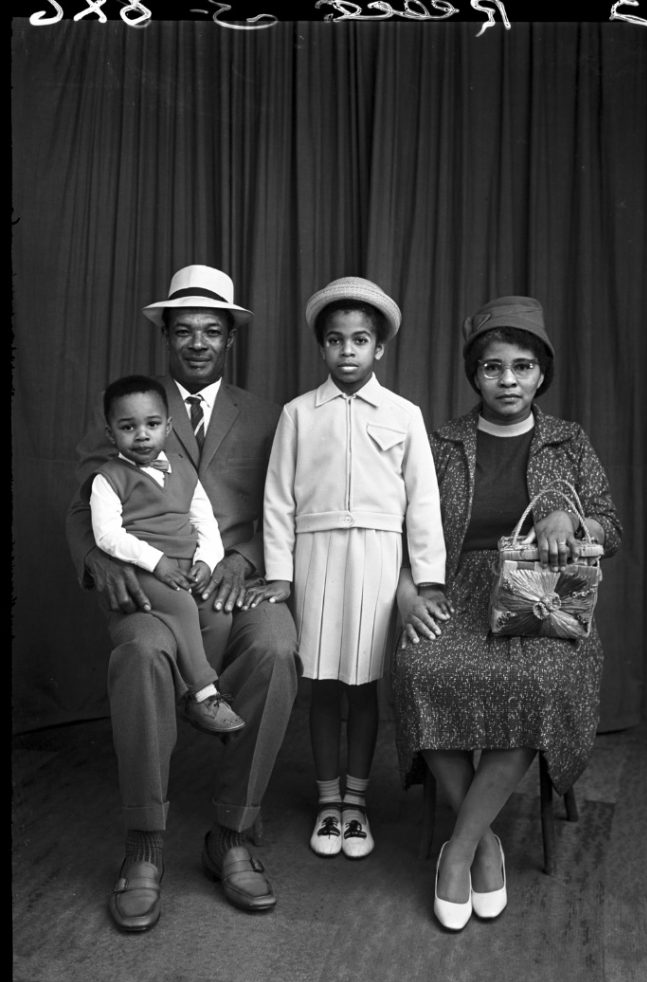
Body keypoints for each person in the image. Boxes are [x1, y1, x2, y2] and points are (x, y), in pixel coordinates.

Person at [66, 265, 300, 933]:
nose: (198, 342)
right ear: (167, 336)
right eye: (185, 331)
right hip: (151, 584)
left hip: (235, 581)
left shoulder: (264, 415)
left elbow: (283, 506)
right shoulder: (128, 404)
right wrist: (92, 560)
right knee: (140, 654)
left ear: (230, 338)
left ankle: (232, 834)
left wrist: (243, 559)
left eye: (213, 331)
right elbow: (83, 502)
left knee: (280, 646)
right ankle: (144, 842)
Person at [391, 295, 622, 931]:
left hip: (542, 599)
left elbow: (613, 526)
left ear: (541, 374)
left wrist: (571, 516)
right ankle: (485, 839)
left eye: (522, 367)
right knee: (418, 671)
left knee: (537, 682)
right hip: (453, 589)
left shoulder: (568, 442)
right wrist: (410, 590)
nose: (509, 381)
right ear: (475, 375)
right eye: (494, 368)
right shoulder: (441, 441)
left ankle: (458, 849)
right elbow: (401, 528)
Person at [255, 277, 447, 860]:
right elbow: (277, 499)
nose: (347, 351)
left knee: (364, 686)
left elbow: (423, 499)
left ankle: (356, 803)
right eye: (335, 340)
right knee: (321, 686)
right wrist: (280, 574)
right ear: (322, 348)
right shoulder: (298, 413)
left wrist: (427, 576)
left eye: (359, 340)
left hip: (379, 559)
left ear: (379, 349)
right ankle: (326, 800)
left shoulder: (403, 413)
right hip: (315, 557)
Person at [91, 373, 243, 735]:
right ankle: (206, 691)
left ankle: (189, 694)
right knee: (181, 605)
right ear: (111, 433)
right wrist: (156, 563)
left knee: (217, 614)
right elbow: (107, 535)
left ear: (169, 426)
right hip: (142, 567)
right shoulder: (108, 478)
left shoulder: (182, 468)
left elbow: (205, 522)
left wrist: (206, 562)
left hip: (185, 564)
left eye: (152, 424)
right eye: (128, 427)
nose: (142, 434)